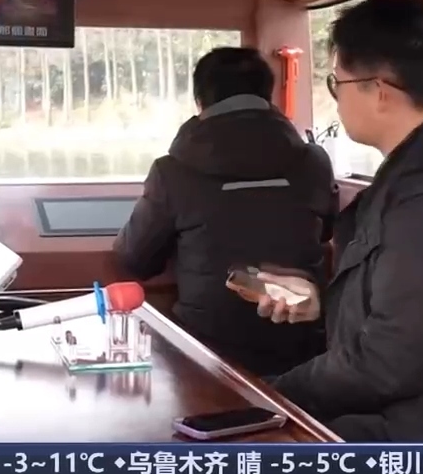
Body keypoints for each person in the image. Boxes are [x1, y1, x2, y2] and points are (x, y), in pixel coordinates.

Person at [257, 0, 423, 442]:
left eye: (337, 83)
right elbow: (404, 314)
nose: (336, 99)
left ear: (379, 92)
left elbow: (386, 366)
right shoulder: (414, 180)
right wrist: (324, 303)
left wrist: (273, 396)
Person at [113, 47, 336, 376]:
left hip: (210, 358)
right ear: (268, 97)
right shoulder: (315, 162)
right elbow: (326, 231)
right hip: (303, 352)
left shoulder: (171, 172)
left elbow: (136, 260)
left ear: (199, 103)